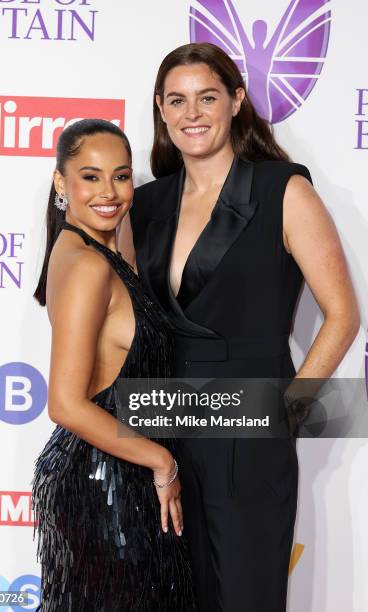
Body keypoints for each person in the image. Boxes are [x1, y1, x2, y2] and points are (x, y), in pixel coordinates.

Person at [119, 43, 360, 612]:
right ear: (161, 110)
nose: (192, 113)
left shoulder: (282, 190)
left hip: (250, 428)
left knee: (244, 593)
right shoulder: (145, 205)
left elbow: (343, 315)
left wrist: (288, 411)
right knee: (168, 592)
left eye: (207, 97)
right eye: (176, 101)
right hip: (161, 426)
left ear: (236, 101)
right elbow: (129, 323)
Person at [31, 119, 196, 612]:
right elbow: (63, 403)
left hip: (106, 472)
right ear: (62, 182)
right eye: (91, 176)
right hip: (105, 483)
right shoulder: (87, 265)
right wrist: (161, 461)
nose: (109, 191)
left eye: (121, 176)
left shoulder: (88, 248)